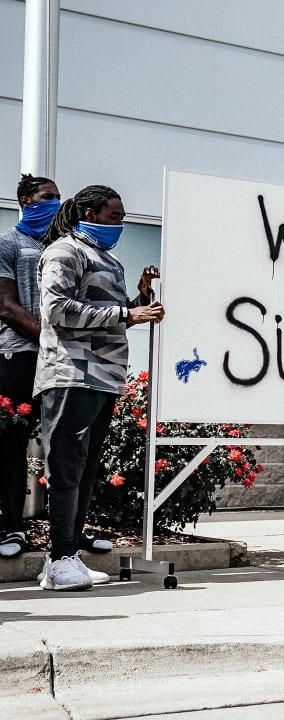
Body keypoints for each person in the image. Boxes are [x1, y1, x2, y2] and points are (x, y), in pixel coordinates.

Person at [35, 185, 164, 591]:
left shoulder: (105, 258)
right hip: (70, 373)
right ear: (88, 212)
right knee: (66, 467)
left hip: (103, 376)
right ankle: (57, 560)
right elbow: (56, 309)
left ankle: (69, 555)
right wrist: (128, 311)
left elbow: (105, 310)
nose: (120, 225)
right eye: (113, 217)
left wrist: (137, 297)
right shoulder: (63, 252)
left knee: (86, 468)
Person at [0, 175, 60, 559]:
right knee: (10, 446)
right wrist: (50, 337)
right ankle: (12, 529)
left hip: (60, 362)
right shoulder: (8, 243)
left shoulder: (63, 246)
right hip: (18, 357)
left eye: (58, 197)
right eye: (46, 197)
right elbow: (5, 306)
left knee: (66, 446)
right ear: (25, 200)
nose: (54, 203)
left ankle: (67, 534)